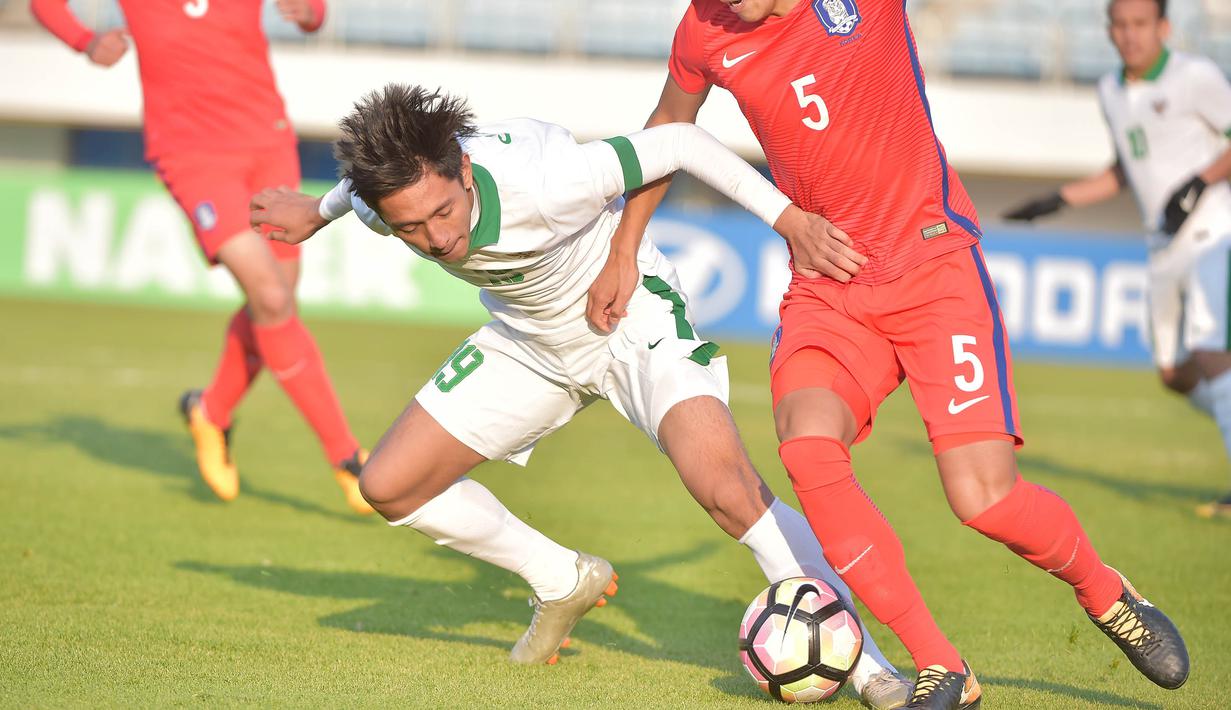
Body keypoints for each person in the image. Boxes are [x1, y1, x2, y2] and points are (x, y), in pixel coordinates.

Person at [583, 1, 1190, 707]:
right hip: (829, 286)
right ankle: (940, 664)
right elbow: (668, 130)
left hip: (934, 272)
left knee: (982, 499)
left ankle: (1106, 593)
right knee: (807, 446)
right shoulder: (704, 29)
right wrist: (623, 248)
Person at [251, 83, 912, 708]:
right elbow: (359, 192)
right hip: (530, 343)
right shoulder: (385, 201)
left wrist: (786, 219)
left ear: (464, 169)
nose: (438, 236)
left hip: (627, 320)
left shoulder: (547, 177)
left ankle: (871, 668)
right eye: (412, 228)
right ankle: (560, 578)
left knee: (724, 487)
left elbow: (679, 140)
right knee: (388, 484)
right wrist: (315, 212)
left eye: (443, 211)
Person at [30, 0, 371, 513]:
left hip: (265, 139)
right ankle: (348, 459)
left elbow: (315, 11)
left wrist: (311, 14)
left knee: (275, 305)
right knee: (271, 296)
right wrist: (84, 41)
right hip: (193, 153)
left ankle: (211, 411)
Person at [1004, 0, 1231, 520]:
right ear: (1108, 31)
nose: (1130, 35)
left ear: (1164, 27)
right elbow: (1128, 167)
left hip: (1213, 229)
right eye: (1120, 25)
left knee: (1210, 348)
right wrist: (1058, 200)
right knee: (1174, 373)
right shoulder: (1110, 91)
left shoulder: (1195, 76)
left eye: (1140, 24)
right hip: (1161, 244)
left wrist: (1200, 182)